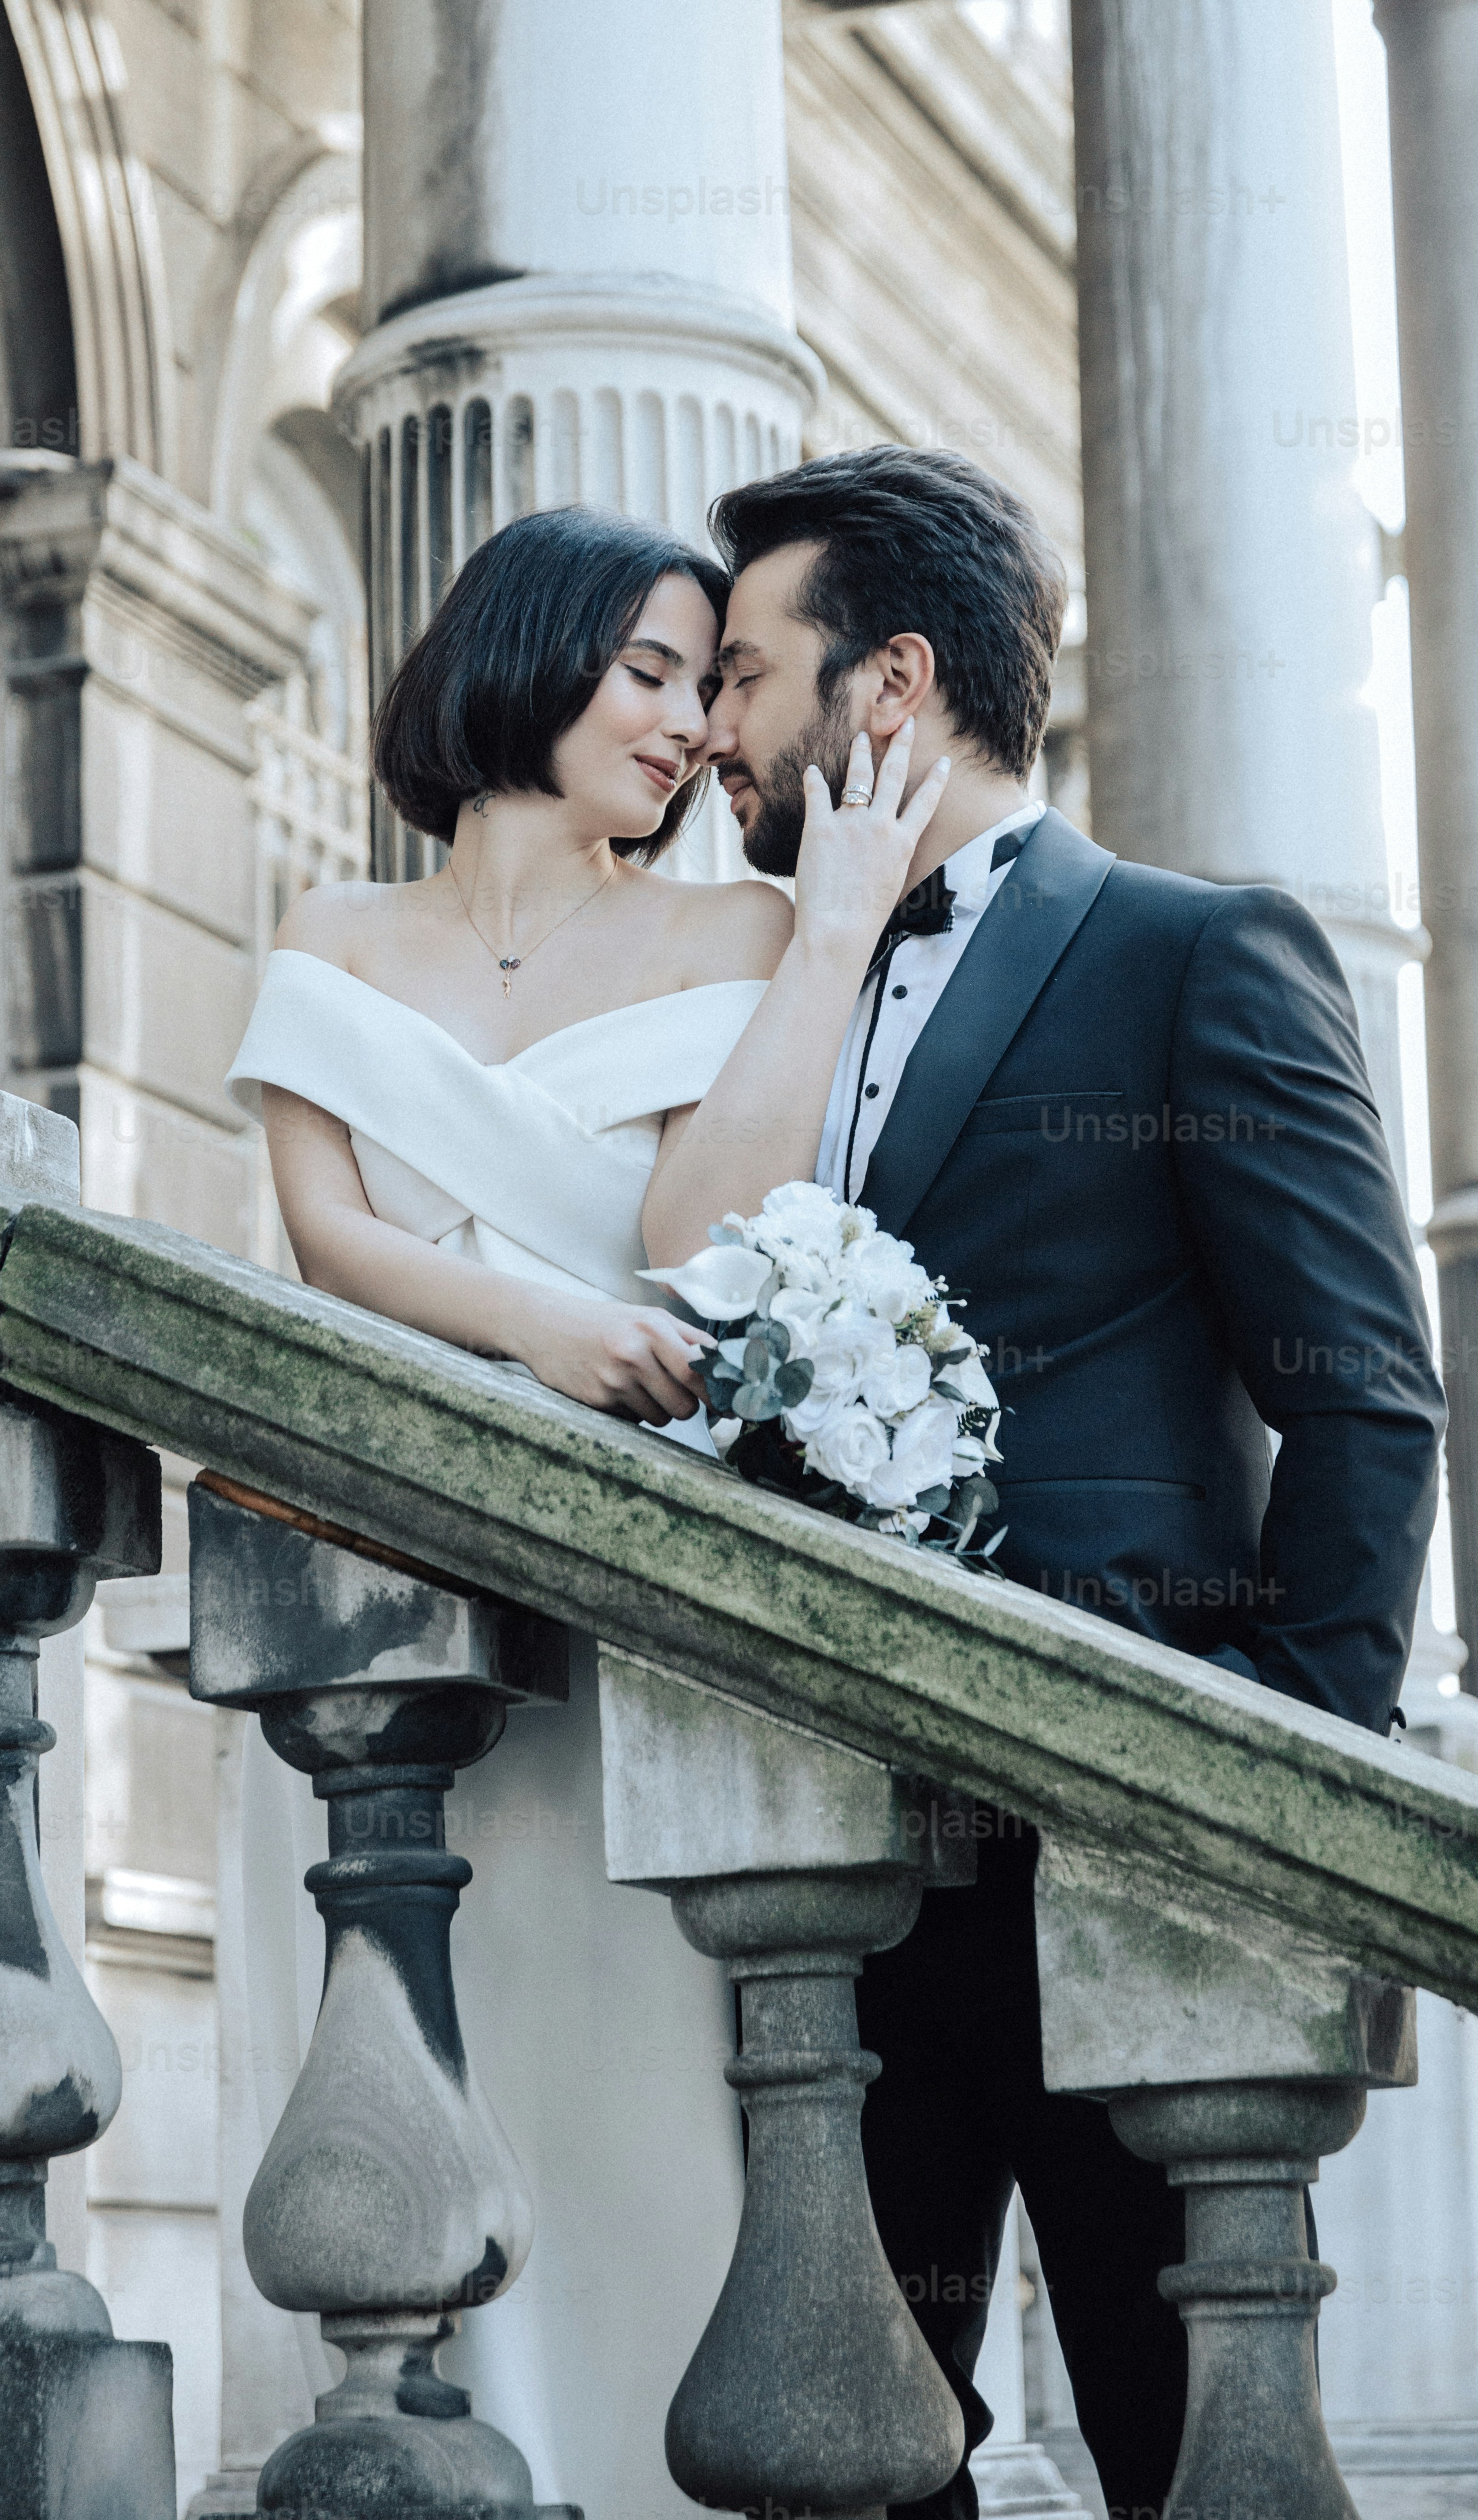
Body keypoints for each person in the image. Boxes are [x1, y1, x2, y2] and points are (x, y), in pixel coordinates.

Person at [698, 442, 1447, 2520]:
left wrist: (1278, 1782)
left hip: (1126, 1836)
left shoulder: (1197, 953)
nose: (712, 731)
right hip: (823, 1860)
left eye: (748, 674)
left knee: (1175, 2430)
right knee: (837, 2448)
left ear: (888, 685)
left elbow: (1367, 1394)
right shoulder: (752, 985)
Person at [223, 503, 948, 2520]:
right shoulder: (328, 929)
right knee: (406, 2094)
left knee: (642, 2110)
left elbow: (763, 1198)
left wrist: (834, 928)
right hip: (388, 1588)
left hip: (628, 1604)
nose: (688, 726)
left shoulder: (732, 932)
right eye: (649, 671)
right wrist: (541, 1323)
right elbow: (328, 1233)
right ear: (524, 659)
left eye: (712, 685)